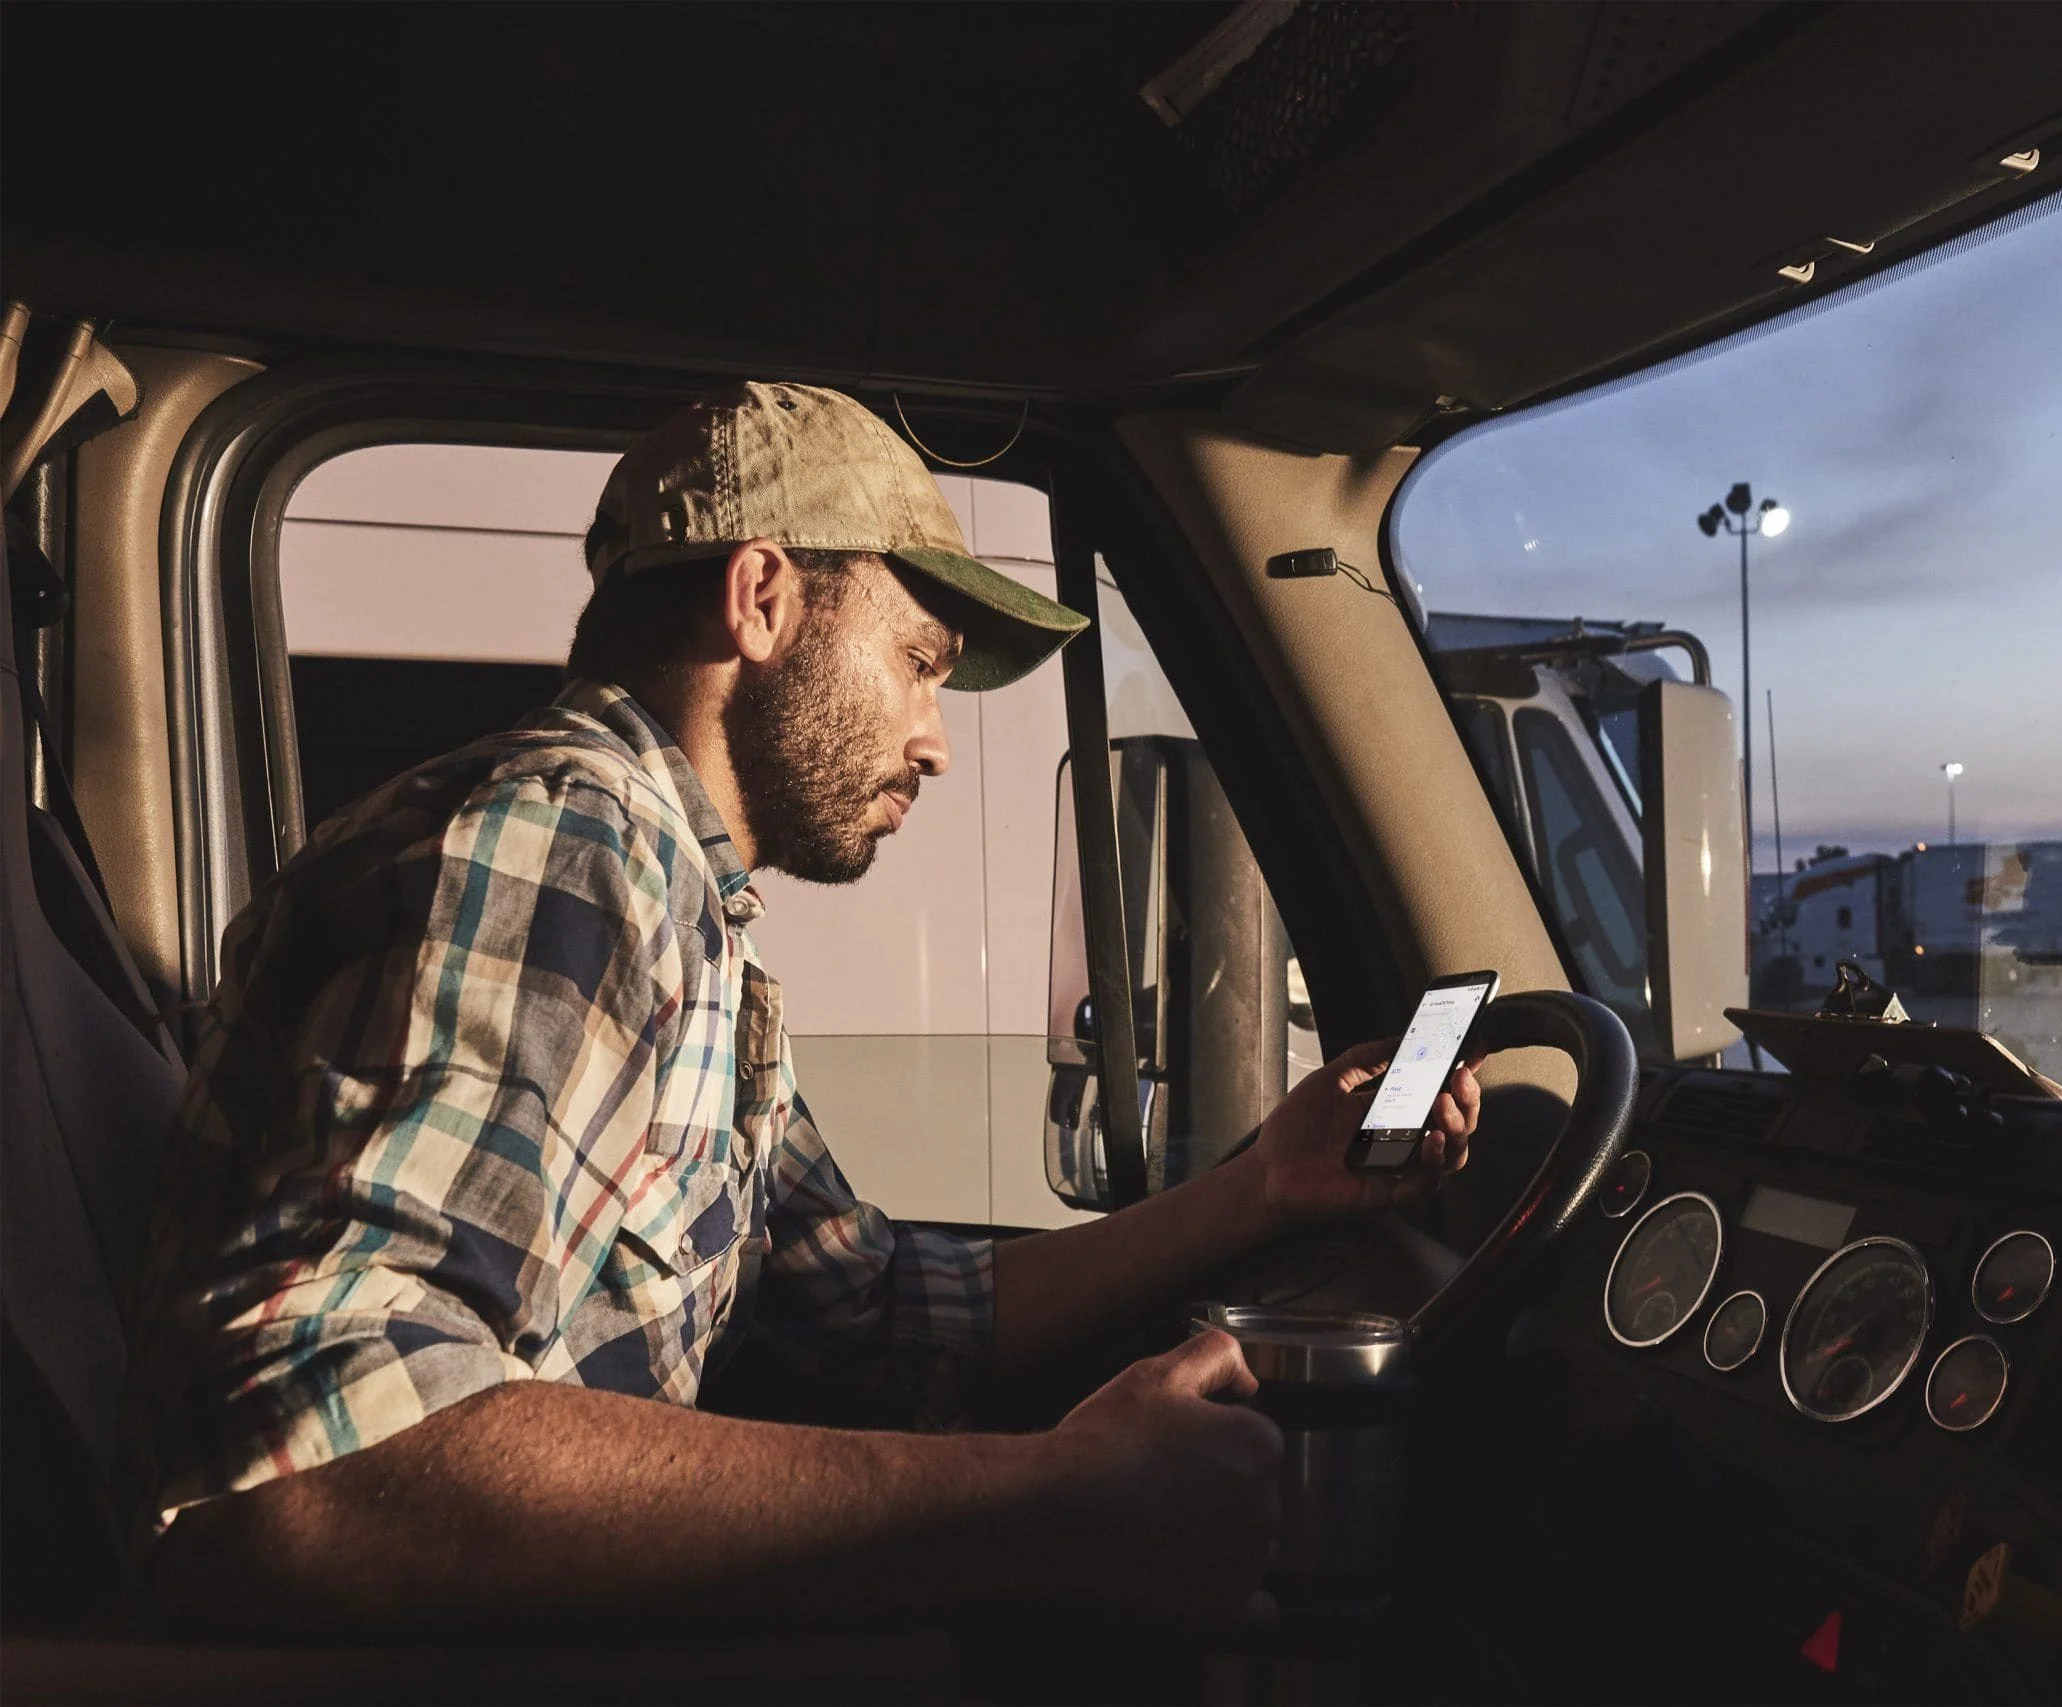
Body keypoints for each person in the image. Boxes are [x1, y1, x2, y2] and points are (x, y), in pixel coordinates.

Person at [127, 383, 1481, 1635]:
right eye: (918, 659)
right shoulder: (566, 843)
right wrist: (1051, 1499)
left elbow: (884, 1314)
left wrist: (1259, 1191)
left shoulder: (698, 928)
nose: (935, 737)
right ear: (764, 598)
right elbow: (319, 1455)